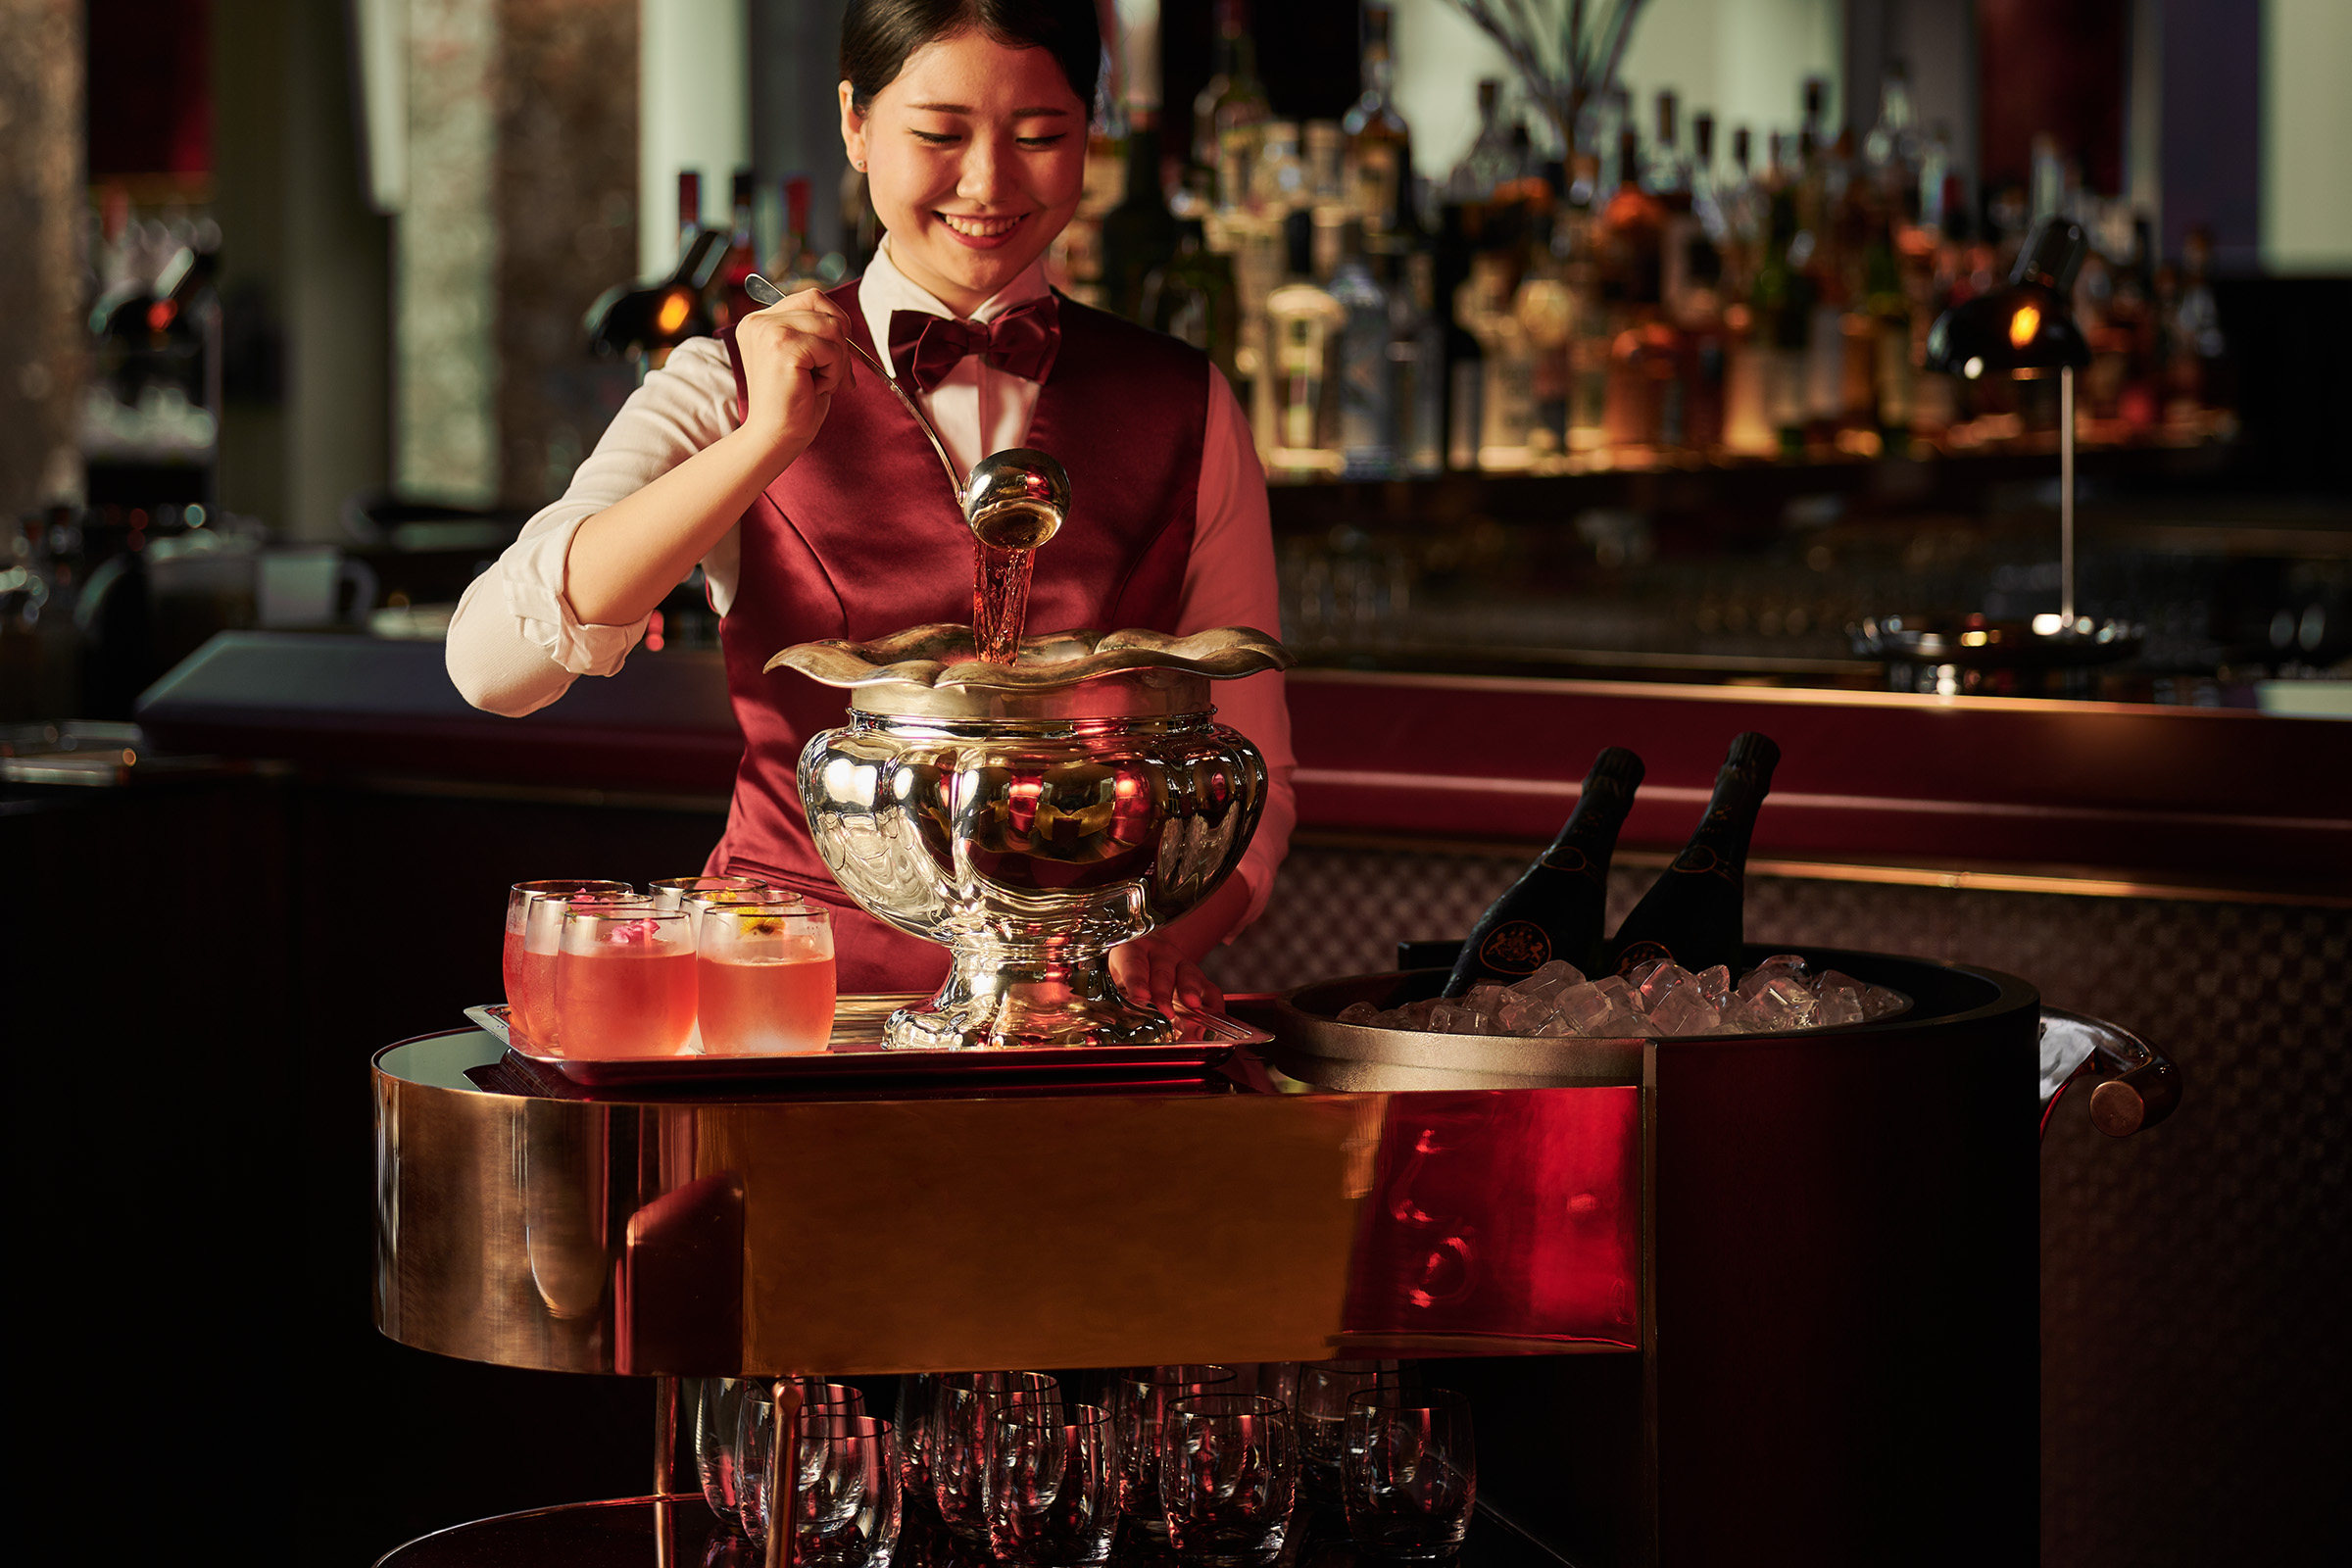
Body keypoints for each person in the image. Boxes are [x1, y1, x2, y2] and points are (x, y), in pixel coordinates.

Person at [447, 0, 1294, 1013]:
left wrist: (1154, 946)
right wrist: (765, 441)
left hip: (1073, 1024)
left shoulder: (1184, 400)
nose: (988, 183)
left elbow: (1261, 777)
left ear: (1090, 134)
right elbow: (495, 666)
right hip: (786, 1010)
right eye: (938, 134)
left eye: (1041, 137)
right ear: (855, 124)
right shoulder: (726, 382)